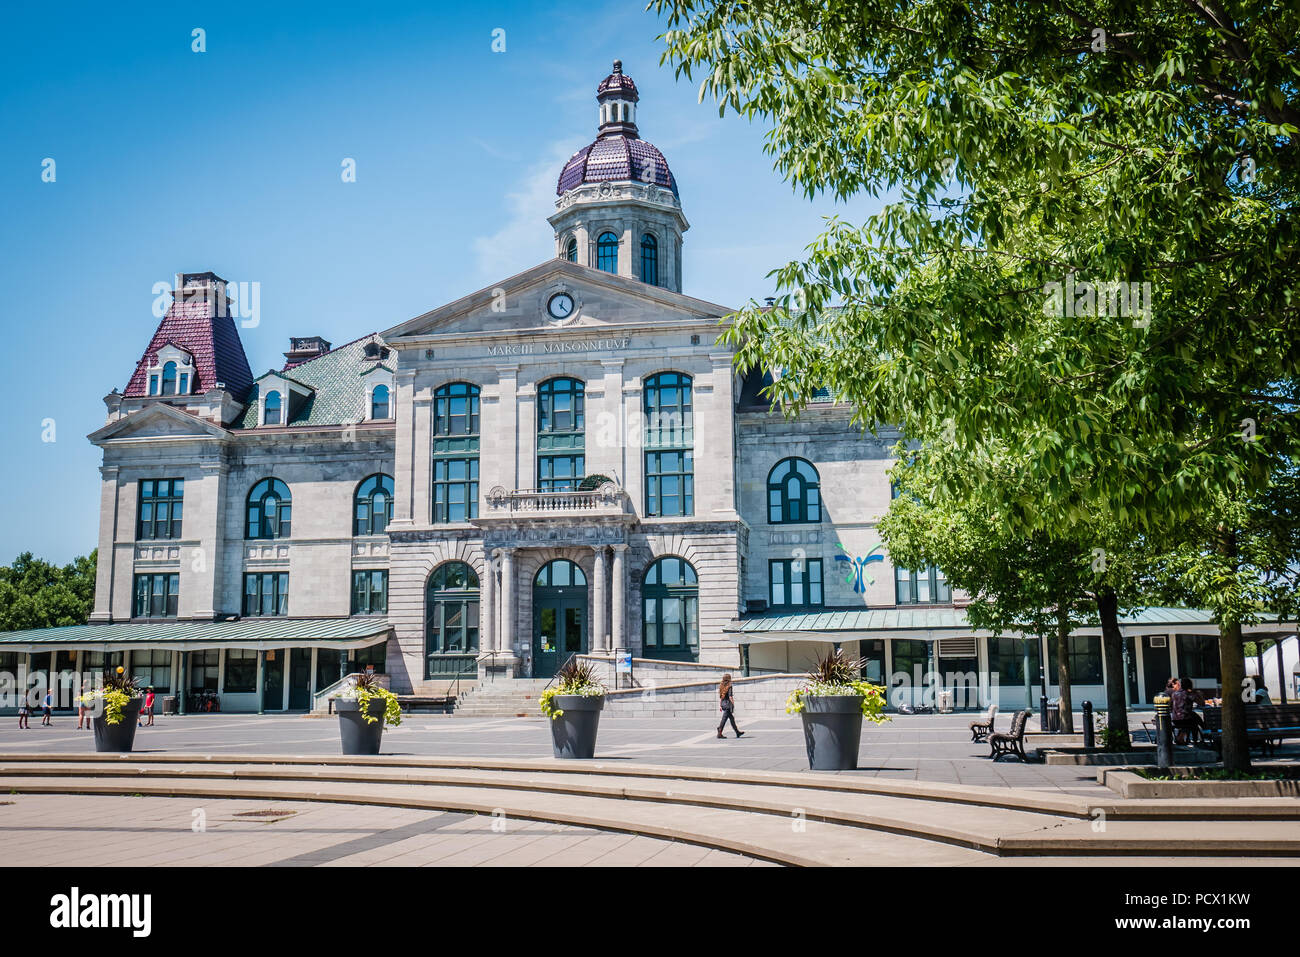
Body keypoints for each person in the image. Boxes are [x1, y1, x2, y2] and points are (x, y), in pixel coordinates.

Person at [1172, 677, 1202, 745]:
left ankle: (1181, 738)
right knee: (1195, 722)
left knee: (1194, 716)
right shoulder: (1188, 694)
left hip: (1175, 719)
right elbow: (1201, 703)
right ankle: (1195, 740)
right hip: (1185, 719)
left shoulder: (1174, 694)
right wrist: (1198, 694)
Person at [716, 674, 744, 739]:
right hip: (728, 704)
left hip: (723, 704)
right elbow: (730, 696)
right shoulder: (729, 686)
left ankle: (737, 732)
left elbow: (721, 697)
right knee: (724, 719)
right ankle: (719, 731)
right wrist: (733, 703)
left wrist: (721, 705)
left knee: (731, 719)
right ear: (729, 679)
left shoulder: (721, 685)